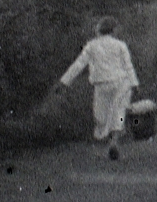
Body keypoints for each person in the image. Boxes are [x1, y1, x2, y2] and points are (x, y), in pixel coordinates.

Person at [56, 16, 139, 160]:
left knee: (102, 115)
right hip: (121, 82)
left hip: (101, 83)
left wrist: (64, 82)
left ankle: (112, 142)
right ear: (113, 30)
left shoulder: (91, 45)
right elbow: (128, 66)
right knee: (118, 112)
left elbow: (79, 64)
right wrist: (134, 83)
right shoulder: (120, 45)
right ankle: (114, 142)